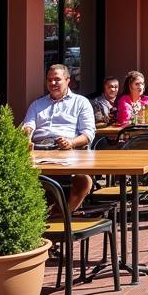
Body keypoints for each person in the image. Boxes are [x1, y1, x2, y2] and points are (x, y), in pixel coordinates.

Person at [21, 64, 95, 212]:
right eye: (49, 80)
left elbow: (88, 134)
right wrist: (26, 135)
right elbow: (28, 125)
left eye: (57, 79)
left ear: (67, 80)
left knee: (84, 180)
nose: (52, 83)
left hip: (67, 152)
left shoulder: (81, 102)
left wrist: (71, 143)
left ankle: (61, 219)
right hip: (38, 150)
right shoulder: (37, 104)